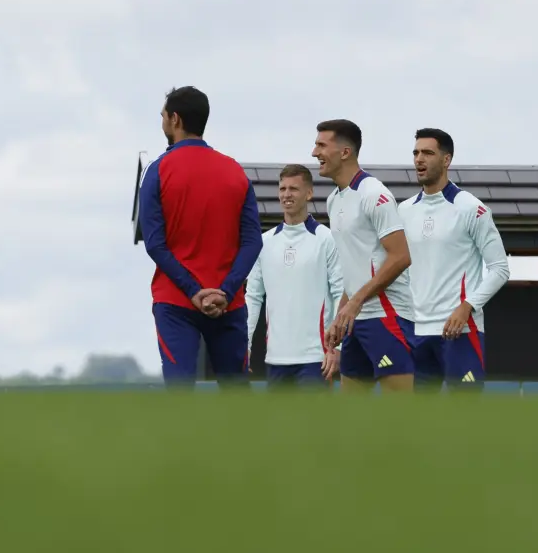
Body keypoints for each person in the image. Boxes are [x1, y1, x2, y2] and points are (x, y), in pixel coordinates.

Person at [137, 86, 262, 388]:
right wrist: (226, 291)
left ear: (175, 119)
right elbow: (253, 241)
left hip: (175, 301)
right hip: (228, 302)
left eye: (163, 117)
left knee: (180, 395)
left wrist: (194, 291)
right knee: (236, 396)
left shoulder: (157, 171)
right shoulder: (235, 171)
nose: (163, 123)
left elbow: (155, 243)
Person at [398, 128, 509, 391]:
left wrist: (466, 306)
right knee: (419, 422)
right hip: (415, 333)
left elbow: (500, 269)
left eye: (427, 153)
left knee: (464, 419)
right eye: (415, 153)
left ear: (446, 160)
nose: (419, 159)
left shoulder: (471, 208)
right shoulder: (402, 211)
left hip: (459, 331)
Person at [314, 119, 416, 393]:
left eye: (322, 145)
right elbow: (355, 266)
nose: (314, 152)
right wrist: (340, 316)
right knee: (351, 420)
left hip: (386, 316)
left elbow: (400, 257)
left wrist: (356, 302)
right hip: (355, 321)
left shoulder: (374, 193)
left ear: (345, 152)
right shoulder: (333, 199)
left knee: (401, 418)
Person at [245, 164, 344, 389]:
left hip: (316, 359)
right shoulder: (265, 242)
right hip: (275, 359)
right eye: (282, 189)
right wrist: (245, 343)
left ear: (309, 193)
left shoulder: (327, 238)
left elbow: (341, 293)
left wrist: (337, 348)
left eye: (294, 189)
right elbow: (252, 296)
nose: (286, 195)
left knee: (314, 425)